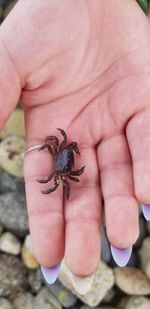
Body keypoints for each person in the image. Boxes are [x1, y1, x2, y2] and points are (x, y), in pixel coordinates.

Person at [0, 0, 150, 287]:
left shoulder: (64, 157)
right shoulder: (62, 165)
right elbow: (60, 170)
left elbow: (67, 163)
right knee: (61, 181)